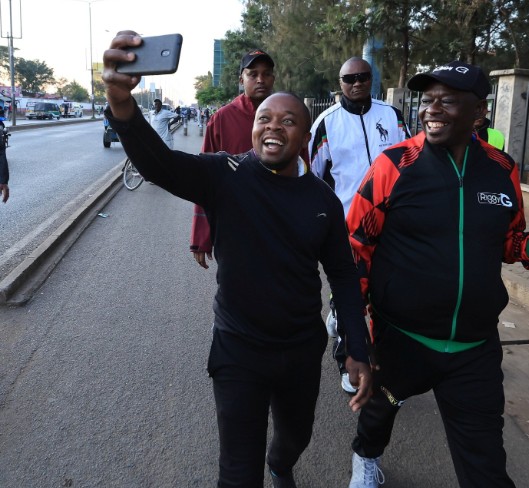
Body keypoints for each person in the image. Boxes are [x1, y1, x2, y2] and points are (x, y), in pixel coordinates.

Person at [103, 32, 373, 488]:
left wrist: (358, 352)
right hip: (238, 347)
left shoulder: (323, 200)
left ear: (306, 136)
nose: (273, 126)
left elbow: (344, 277)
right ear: (252, 126)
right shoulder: (225, 175)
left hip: (300, 350)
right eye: (264, 118)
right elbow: (159, 164)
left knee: (295, 439)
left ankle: (281, 464)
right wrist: (119, 101)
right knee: (236, 470)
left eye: (288, 121)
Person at [344, 61, 529, 488]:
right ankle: (366, 457)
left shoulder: (502, 169)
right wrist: (354, 336)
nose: (431, 109)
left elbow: (509, 241)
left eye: (447, 100)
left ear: (478, 112)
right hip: (402, 338)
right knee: (379, 411)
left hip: (474, 347)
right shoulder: (394, 165)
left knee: (486, 466)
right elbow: (356, 248)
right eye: (427, 99)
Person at [309, 56, 410, 394]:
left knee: (387, 293)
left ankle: (384, 358)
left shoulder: (391, 117)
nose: (356, 83)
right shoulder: (327, 123)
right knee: (350, 292)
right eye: (349, 78)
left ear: (371, 79)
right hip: (347, 228)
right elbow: (312, 177)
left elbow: (410, 163)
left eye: (363, 76)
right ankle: (346, 359)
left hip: (391, 226)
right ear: (340, 83)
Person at [189, 49, 276, 269]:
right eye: (253, 74)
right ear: (241, 79)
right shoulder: (221, 119)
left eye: (266, 74)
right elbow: (204, 179)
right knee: (236, 295)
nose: (260, 79)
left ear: (273, 78)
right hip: (233, 227)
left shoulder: (285, 116)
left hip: (278, 223)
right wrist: (201, 235)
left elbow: (302, 171)